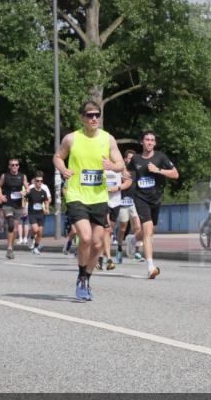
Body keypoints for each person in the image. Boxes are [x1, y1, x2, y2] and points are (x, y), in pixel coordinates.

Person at [53, 100, 128, 300]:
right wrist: (63, 169)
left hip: (99, 196)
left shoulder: (107, 139)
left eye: (97, 114)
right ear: (82, 118)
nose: (94, 118)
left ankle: (85, 278)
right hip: (76, 194)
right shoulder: (71, 139)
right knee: (85, 238)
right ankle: (81, 276)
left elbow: (120, 162)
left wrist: (113, 166)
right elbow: (58, 157)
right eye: (90, 115)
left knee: (97, 244)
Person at [126, 131, 178, 279]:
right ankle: (150, 267)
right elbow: (128, 175)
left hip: (156, 198)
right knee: (148, 231)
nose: (149, 142)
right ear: (142, 142)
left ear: (155, 143)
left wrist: (158, 170)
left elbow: (175, 174)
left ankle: (133, 239)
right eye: (147, 139)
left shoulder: (161, 157)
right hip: (140, 198)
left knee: (149, 230)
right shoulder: (135, 159)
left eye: (152, 140)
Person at [0, 159, 29, 260]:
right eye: (12, 165)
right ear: (9, 166)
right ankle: (10, 248)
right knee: (10, 224)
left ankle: (10, 248)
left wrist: (25, 192)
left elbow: (27, 188)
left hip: (18, 205)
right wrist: (0, 195)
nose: (14, 167)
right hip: (7, 203)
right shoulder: (4, 176)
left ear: (18, 166)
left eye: (16, 165)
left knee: (14, 229)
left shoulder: (22, 176)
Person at [115, 149, 141, 262]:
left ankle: (137, 252)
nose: (131, 160)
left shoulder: (137, 171)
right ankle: (119, 248)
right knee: (123, 228)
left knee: (138, 227)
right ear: (125, 159)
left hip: (134, 202)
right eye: (129, 158)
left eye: (133, 158)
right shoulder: (120, 171)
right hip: (122, 203)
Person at [27, 172, 52, 256]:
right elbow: (24, 199)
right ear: (34, 181)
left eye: (41, 181)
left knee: (40, 232)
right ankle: (30, 237)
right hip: (32, 213)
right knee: (35, 230)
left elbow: (46, 201)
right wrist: (23, 208)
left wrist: (47, 208)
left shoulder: (44, 192)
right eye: (37, 181)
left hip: (41, 214)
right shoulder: (30, 190)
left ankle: (35, 248)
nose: (39, 183)